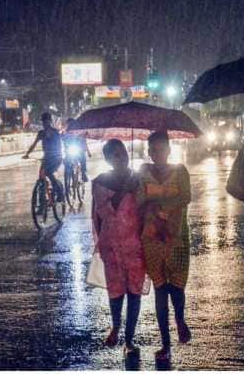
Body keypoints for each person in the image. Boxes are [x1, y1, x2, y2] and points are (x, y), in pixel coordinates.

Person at [136, 131, 192, 362]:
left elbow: (186, 197)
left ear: (169, 150)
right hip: (151, 239)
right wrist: (149, 206)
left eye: (160, 149)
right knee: (160, 289)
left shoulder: (181, 171)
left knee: (177, 287)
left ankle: (179, 318)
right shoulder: (141, 172)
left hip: (177, 237)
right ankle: (165, 343)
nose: (156, 153)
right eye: (153, 150)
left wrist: (161, 206)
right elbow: (138, 201)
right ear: (149, 151)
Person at [91, 139, 146, 356]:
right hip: (112, 246)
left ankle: (129, 338)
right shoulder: (100, 183)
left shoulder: (139, 178)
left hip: (136, 244)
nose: (121, 157)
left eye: (122, 152)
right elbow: (105, 213)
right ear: (107, 160)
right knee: (115, 290)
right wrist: (125, 190)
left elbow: (146, 207)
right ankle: (115, 325)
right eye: (115, 154)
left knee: (134, 292)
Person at [23, 112, 64, 202]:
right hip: (46, 158)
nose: (45, 123)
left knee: (48, 173)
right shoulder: (41, 133)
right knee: (41, 178)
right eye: (44, 122)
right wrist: (27, 154)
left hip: (56, 158)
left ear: (50, 121)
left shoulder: (55, 132)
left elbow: (59, 145)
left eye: (46, 121)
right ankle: (42, 205)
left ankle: (60, 192)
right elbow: (34, 145)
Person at [63, 118, 91, 183]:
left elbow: (84, 141)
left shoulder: (79, 130)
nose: (70, 125)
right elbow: (64, 139)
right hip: (70, 149)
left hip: (79, 149)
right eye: (69, 124)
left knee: (82, 158)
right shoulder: (67, 131)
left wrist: (88, 152)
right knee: (66, 160)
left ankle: (84, 173)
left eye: (71, 123)